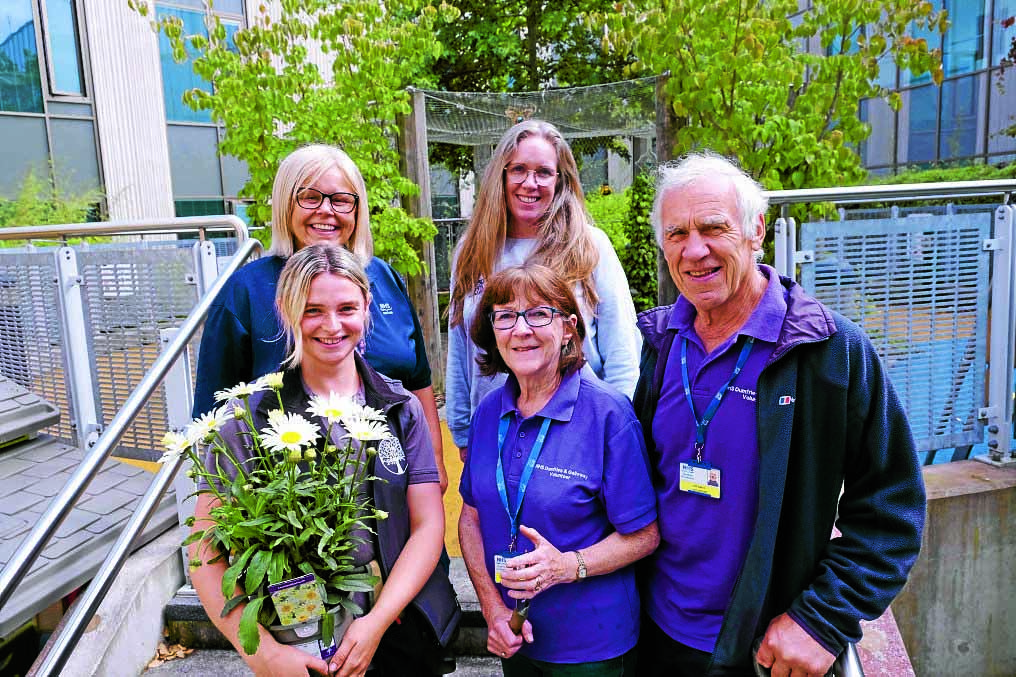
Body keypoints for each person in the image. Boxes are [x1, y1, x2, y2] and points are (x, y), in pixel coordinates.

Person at [633, 153, 926, 676]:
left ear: (755, 231)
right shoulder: (659, 345)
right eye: (677, 233)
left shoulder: (827, 353)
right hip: (656, 635)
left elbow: (892, 509)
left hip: (764, 649)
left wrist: (822, 620)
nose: (694, 250)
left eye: (713, 228)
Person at [190, 244, 458, 677]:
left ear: (367, 306)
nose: (332, 326)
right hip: (299, 641)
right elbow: (205, 551)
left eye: (347, 308)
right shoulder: (247, 421)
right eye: (313, 310)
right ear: (284, 309)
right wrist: (263, 654)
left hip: (397, 627)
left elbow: (428, 525)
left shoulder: (399, 407)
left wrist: (376, 622)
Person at [193, 144, 447, 492]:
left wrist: (433, 465)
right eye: (310, 197)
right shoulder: (247, 292)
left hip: (399, 485)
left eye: (341, 200)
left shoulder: (384, 278)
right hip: (294, 499)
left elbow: (418, 380)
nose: (327, 211)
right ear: (286, 204)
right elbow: (215, 412)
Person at [458, 263, 659, 675]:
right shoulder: (487, 413)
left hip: (590, 646)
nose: (521, 328)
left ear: (568, 328)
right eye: (506, 316)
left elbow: (644, 535)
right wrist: (494, 610)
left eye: (538, 313)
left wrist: (565, 566)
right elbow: (470, 518)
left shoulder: (608, 414)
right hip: (515, 638)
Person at [446, 120, 641, 460]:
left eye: (544, 172)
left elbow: (622, 348)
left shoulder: (589, 247)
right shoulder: (473, 249)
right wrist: (464, 432)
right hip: (497, 434)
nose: (530, 183)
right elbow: (461, 346)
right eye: (518, 169)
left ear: (560, 180)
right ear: (501, 176)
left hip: (578, 438)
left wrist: (618, 432)